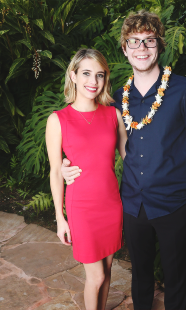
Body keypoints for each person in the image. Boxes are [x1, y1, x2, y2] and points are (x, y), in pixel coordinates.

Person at [61, 11, 186, 310]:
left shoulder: (184, 90)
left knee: (176, 277)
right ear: (125, 49)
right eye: (134, 41)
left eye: (149, 40)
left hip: (175, 202)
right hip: (132, 203)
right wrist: (68, 165)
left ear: (159, 45)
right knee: (140, 275)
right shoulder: (117, 98)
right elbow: (90, 136)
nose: (142, 48)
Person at [45, 48, 127, 310]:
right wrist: (60, 217)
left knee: (107, 271)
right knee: (97, 276)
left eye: (100, 75)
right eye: (87, 74)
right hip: (82, 208)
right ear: (74, 75)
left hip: (111, 205)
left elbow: (131, 157)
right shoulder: (58, 120)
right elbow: (56, 171)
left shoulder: (113, 115)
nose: (93, 82)